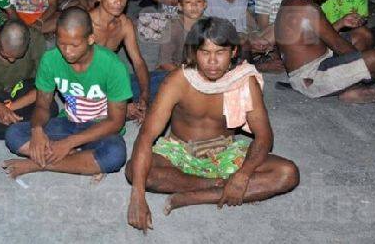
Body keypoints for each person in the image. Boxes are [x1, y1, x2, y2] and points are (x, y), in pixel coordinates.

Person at [126, 18, 299, 233]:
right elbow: (146, 136)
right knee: (135, 170)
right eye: (205, 52)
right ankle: (218, 185)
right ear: (194, 53)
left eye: (220, 52)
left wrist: (244, 174)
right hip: (180, 151)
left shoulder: (244, 81)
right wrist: (137, 195)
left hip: (224, 151)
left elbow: (264, 136)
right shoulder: (178, 80)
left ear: (233, 52)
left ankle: (194, 197)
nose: (212, 61)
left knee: (287, 173)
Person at [3, 7, 131, 179]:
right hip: (69, 122)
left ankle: (40, 164)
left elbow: (116, 122)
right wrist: (37, 129)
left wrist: (68, 143)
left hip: (99, 128)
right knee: (14, 135)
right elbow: (42, 105)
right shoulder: (50, 60)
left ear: (90, 39)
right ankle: (79, 160)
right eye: (62, 43)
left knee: (115, 155)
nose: (67, 51)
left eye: (74, 45)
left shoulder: (113, 67)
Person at [275, 0, 375, 104]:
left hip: (316, 62)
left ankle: (351, 84)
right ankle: (352, 88)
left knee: (361, 34)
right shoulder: (308, 8)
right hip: (310, 78)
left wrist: (342, 25)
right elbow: (338, 45)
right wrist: (364, 65)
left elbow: (316, 37)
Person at [90, 0, 156, 123]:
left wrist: (144, 97)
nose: (119, 2)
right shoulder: (85, 25)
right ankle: (113, 110)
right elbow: (76, 73)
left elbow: (138, 62)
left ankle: (122, 109)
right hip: (86, 87)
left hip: (112, 80)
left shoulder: (124, 24)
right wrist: (121, 102)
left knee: (166, 80)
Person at [157, 0, 207, 73]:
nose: (194, 6)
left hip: (201, 69)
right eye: (188, 2)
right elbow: (165, 62)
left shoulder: (209, 25)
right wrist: (187, 76)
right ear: (180, 6)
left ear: (205, 4)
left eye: (198, 2)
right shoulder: (172, 27)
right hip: (176, 69)